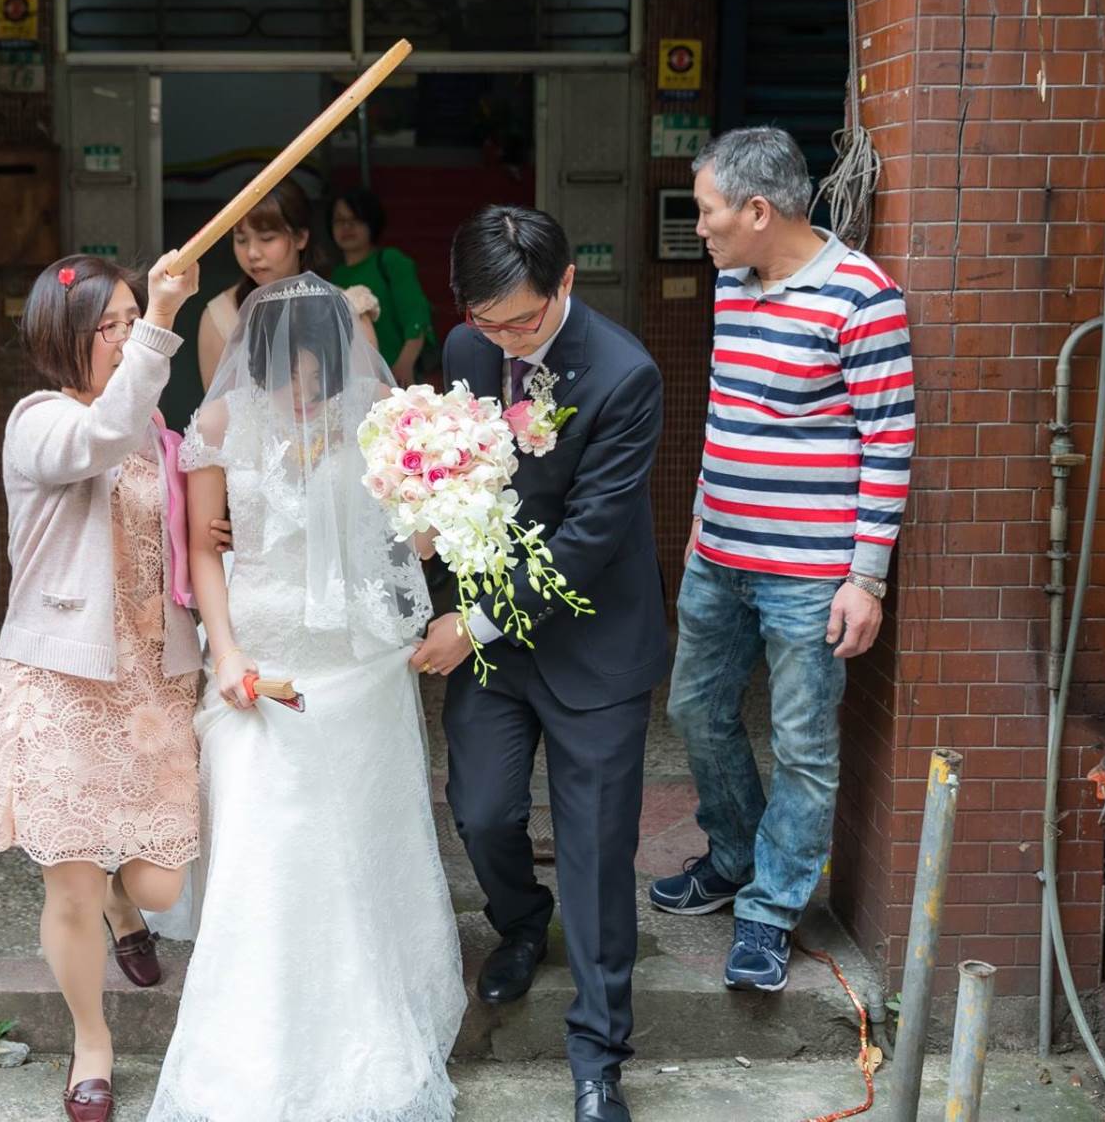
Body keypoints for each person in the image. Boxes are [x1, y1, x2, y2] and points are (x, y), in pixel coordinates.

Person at [149, 274, 465, 1121]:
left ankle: (365, 1031)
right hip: (260, 664)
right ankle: (244, 1049)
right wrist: (227, 652)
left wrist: (440, 486)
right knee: (263, 849)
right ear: (255, 359)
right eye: (284, 368)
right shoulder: (216, 427)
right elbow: (205, 551)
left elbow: (420, 543)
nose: (300, 386)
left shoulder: (375, 426)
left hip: (354, 669)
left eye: (314, 369)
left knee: (356, 856)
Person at [410, 206, 669, 1122]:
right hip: (498, 643)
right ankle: (521, 924)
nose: (504, 338)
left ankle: (599, 1055)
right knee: (478, 814)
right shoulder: (468, 347)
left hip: (593, 642)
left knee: (599, 854)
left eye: (523, 318)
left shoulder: (626, 375)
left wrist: (470, 626)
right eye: (487, 319)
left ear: (565, 284)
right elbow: (457, 480)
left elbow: (587, 543)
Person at [650, 127, 914, 994]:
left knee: (803, 744)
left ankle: (768, 913)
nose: (701, 227)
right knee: (695, 709)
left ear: (759, 211)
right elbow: (730, 415)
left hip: (809, 572)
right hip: (717, 553)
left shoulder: (862, 298)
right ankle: (732, 857)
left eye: (708, 209)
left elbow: (888, 443)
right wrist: (699, 520)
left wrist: (865, 577)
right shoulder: (734, 281)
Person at [0, 249, 203, 1122]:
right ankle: (92, 1040)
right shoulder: (38, 421)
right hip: (63, 681)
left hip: (151, 680)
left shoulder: (148, 422)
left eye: (129, 320)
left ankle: (122, 904)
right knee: (66, 880)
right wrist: (163, 323)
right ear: (65, 337)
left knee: (156, 885)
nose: (123, 338)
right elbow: (100, 437)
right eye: (107, 326)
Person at [196, 174, 378, 388]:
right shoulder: (221, 316)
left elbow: (369, 403)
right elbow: (217, 411)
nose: (252, 253)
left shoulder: (348, 308)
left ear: (301, 237)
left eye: (267, 238)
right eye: (241, 240)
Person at [328, 186, 438, 385]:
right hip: (353, 381)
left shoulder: (390, 261)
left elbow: (416, 316)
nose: (347, 227)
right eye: (339, 220)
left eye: (356, 220)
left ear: (372, 222)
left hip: (397, 376)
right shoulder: (334, 275)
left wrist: (404, 365)